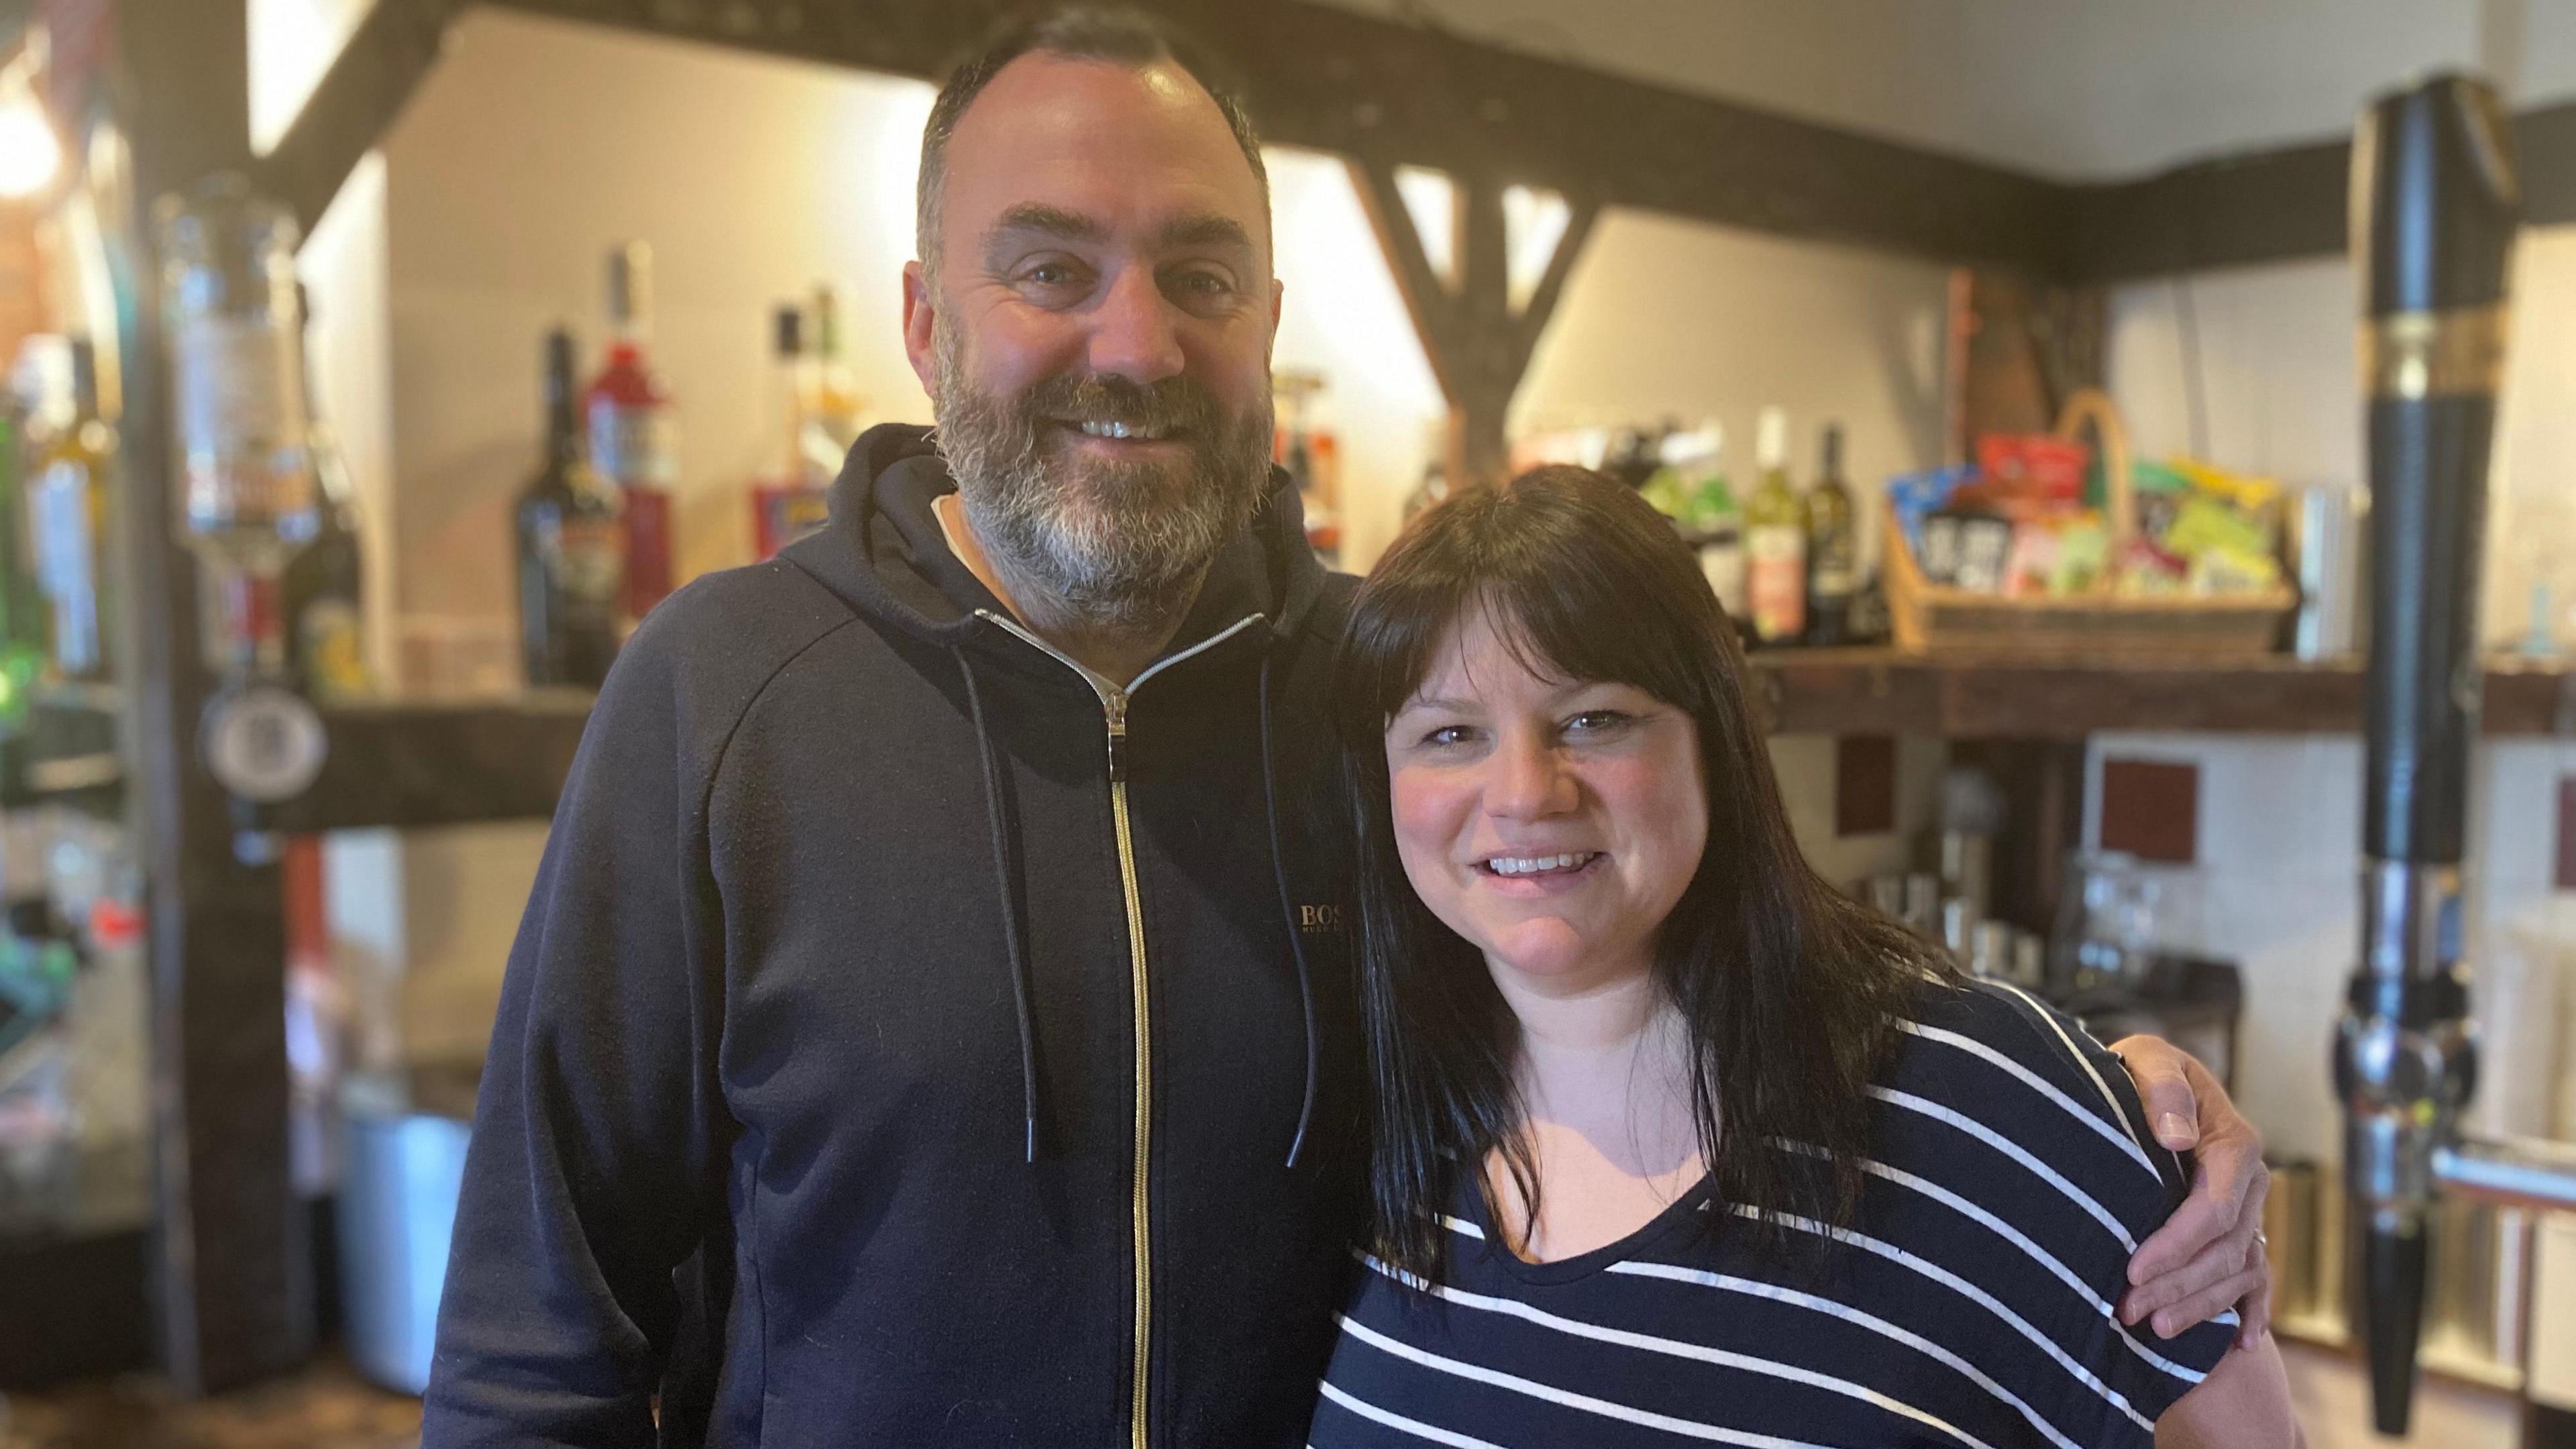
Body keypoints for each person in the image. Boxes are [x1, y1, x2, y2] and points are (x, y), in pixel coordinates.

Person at [423, 11, 2271, 1446]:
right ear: (925, 321)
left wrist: (2115, 1104)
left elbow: (1650, 906)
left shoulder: (1384, 701)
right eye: (1050, 268)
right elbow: (537, 1333)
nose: (1135, 342)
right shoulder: (722, 694)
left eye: (1201, 276)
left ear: (1270, 321)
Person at [1311, 466, 2300, 1448]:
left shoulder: (1985, 1108)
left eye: (1592, 719)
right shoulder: (1365, 1120)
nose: (1526, 792)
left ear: (1718, 736)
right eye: (1450, 734)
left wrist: (2125, 1139)